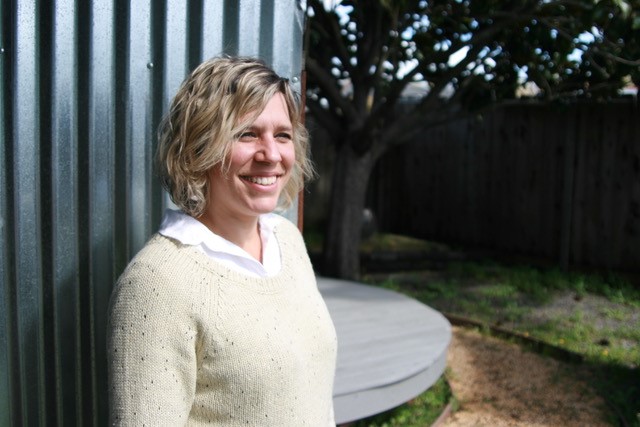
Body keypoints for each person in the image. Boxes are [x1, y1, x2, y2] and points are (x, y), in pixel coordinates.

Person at [107, 56, 338, 426]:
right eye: (247, 134)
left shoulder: (288, 240)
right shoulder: (156, 285)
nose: (272, 155)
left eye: (282, 134)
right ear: (199, 148)